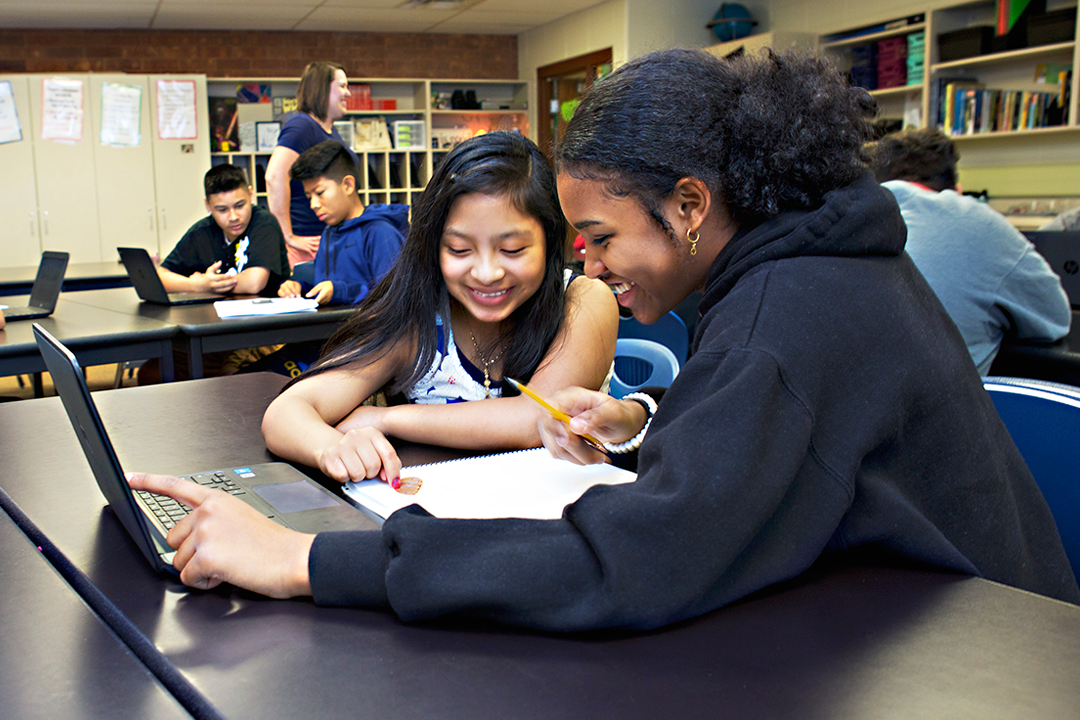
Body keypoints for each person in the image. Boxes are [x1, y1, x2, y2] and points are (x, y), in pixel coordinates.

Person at [128, 51, 1079, 630]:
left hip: (976, 664)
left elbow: (632, 559)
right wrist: (641, 412)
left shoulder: (783, 318)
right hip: (931, 630)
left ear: (691, 206)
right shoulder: (812, 269)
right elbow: (791, 426)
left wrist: (302, 561)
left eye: (602, 236)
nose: (596, 264)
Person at [257, 130, 616, 483]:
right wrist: (333, 449)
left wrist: (385, 419)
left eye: (512, 250)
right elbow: (286, 413)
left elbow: (534, 419)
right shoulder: (421, 319)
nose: (487, 273)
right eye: (459, 250)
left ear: (550, 240)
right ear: (434, 246)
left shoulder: (584, 300)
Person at [869, 127, 1070, 374]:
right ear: (957, 190)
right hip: (938, 409)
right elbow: (1055, 318)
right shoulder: (975, 219)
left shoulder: (840, 214)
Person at [277, 141, 408, 307]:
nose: (313, 204)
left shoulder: (380, 232)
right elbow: (330, 289)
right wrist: (300, 289)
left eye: (320, 193)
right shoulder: (329, 232)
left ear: (348, 185)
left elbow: (395, 298)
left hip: (368, 331)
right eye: (309, 197)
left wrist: (340, 291)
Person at [266, 61, 356, 267]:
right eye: (342, 86)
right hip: (308, 243)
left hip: (329, 238)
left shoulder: (329, 130)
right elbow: (274, 176)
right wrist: (287, 235)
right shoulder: (302, 126)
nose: (348, 93)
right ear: (322, 89)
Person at [157, 164, 289, 297]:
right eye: (222, 210)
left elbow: (254, 283)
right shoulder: (201, 231)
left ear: (251, 194)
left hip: (265, 314)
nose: (233, 217)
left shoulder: (264, 223)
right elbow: (160, 277)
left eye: (240, 206)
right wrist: (197, 285)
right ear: (208, 205)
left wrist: (209, 286)